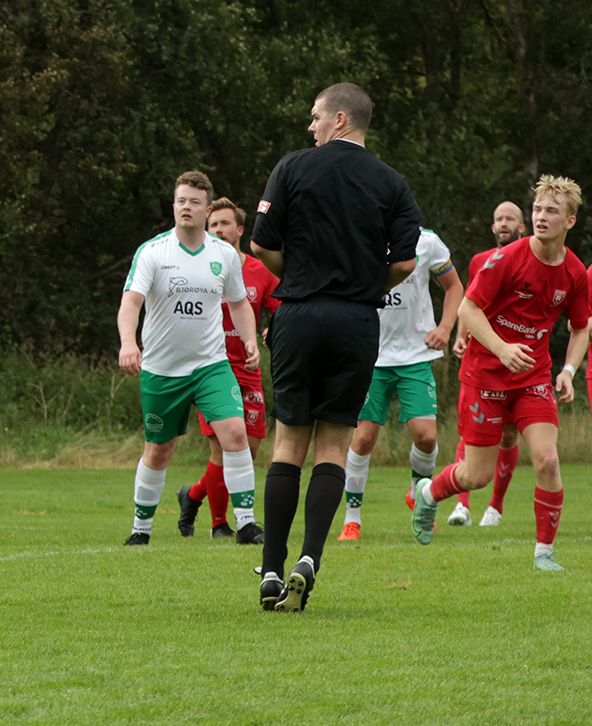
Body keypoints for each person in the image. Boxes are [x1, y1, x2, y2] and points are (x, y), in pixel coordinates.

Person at [249, 83, 422, 612]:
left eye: (316, 117)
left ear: (340, 119)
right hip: (356, 321)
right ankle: (310, 560)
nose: (311, 127)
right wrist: (364, 288)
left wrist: (299, 277)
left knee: (287, 448)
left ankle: (272, 570)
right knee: (332, 449)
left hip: (298, 315)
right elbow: (406, 262)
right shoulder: (393, 183)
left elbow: (260, 244)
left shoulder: (293, 167)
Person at [412, 177, 589, 571]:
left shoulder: (575, 273)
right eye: (538, 210)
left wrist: (568, 370)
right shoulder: (506, 258)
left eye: (552, 211)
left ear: (570, 221)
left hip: (533, 379)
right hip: (484, 375)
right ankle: (428, 493)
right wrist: (502, 348)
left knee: (547, 461)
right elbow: (468, 309)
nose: (541, 217)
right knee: (476, 477)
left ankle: (544, 553)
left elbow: (581, 328)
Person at [117, 173, 262, 546]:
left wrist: (249, 340)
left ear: (207, 209)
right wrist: (128, 343)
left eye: (194, 202)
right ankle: (141, 529)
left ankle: (246, 524)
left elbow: (239, 303)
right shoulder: (153, 251)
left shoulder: (223, 254)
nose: (186, 207)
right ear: (174, 206)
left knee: (234, 433)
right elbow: (130, 303)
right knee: (159, 449)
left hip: (210, 366)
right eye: (181, 201)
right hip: (163, 369)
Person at [335, 227, 461, 539]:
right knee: (363, 437)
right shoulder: (356, 234)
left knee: (426, 437)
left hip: (416, 354)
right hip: (370, 355)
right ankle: (352, 520)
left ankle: (418, 494)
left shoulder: (426, 241)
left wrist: (445, 328)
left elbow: (455, 287)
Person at [177, 197, 279, 538]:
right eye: (214, 224)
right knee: (222, 447)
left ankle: (191, 496)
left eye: (225, 224)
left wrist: (273, 328)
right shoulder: (195, 266)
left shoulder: (258, 270)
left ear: (240, 229)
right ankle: (220, 524)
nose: (219, 230)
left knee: (248, 451)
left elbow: (281, 305)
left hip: (247, 369)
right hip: (211, 369)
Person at [445, 201, 529, 526]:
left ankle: (495, 506)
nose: (504, 223)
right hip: (482, 361)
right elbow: (471, 302)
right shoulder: (480, 261)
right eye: (499, 219)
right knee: (470, 432)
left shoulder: (531, 263)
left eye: (510, 219)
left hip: (516, 360)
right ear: (493, 228)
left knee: (509, 436)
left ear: (522, 228)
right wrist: (460, 335)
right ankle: (461, 507)